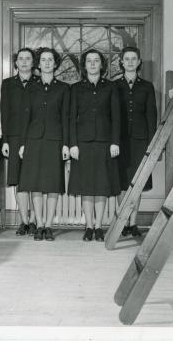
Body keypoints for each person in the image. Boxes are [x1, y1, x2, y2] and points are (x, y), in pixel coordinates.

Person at [68, 49, 121, 242]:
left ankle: (99, 226)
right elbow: (71, 118)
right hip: (82, 144)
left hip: (105, 143)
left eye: (96, 60)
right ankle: (88, 226)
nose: (92, 64)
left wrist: (115, 141)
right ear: (84, 65)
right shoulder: (75, 88)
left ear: (102, 65)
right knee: (86, 186)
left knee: (101, 186)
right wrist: (72, 144)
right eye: (89, 61)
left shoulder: (111, 87)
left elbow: (116, 117)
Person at [18, 47, 70, 241]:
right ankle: (39, 224)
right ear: (38, 64)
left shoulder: (64, 88)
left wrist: (66, 144)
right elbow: (26, 117)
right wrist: (23, 143)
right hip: (33, 140)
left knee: (52, 185)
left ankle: (49, 225)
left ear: (55, 64)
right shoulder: (30, 88)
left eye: (50, 60)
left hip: (55, 141)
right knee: (36, 184)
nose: (47, 63)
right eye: (43, 60)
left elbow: (66, 117)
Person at [115, 46, 157, 237]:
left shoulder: (147, 87)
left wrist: (152, 143)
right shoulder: (114, 86)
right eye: (127, 59)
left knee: (137, 182)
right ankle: (122, 222)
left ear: (139, 62)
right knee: (122, 182)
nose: (130, 62)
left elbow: (151, 117)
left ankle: (133, 223)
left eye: (134, 59)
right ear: (122, 62)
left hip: (141, 141)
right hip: (120, 142)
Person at [0, 48, 38, 235]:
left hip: (35, 137)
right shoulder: (7, 84)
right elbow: (4, 113)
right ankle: (24, 221)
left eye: (28, 59)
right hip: (14, 137)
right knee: (19, 180)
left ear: (33, 62)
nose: (24, 62)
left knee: (35, 179)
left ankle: (35, 221)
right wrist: (5, 141)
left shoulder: (39, 83)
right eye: (20, 59)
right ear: (15, 63)